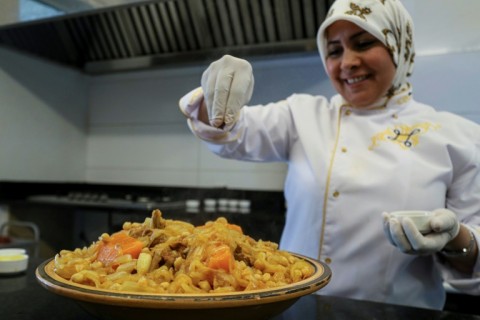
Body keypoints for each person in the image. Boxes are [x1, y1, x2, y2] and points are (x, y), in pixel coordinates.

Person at [178, 0, 480, 310]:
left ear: (399, 46)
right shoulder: (303, 115)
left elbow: (475, 269)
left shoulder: (457, 137)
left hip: (397, 313)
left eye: (363, 43)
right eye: (334, 51)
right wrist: (216, 95)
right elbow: (230, 134)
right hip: (293, 310)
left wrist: (456, 239)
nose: (347, 62)